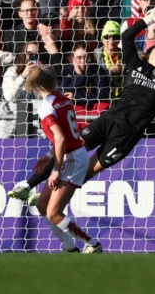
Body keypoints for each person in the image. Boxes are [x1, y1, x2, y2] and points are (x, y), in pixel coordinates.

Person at [8, 0, 155, 204]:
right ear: (148, 53)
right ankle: (27, 186)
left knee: (89, 169)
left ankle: (49, 196)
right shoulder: (135, 65)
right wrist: (147, 20)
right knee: (66, 152)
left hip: (127, 134)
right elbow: (127, 36)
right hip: (108, 119)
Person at [26, 64, 102, 253]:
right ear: (54, 81)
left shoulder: (46, 107)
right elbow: (65, 136)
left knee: (54, 213)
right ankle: (69, 246)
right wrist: (48, 156)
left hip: (72, 158)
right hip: (73, 153)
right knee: (42, 204)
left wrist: (56, 169)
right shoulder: (64, 100)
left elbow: (60, 139)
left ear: (35, 84)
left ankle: (92, 245)